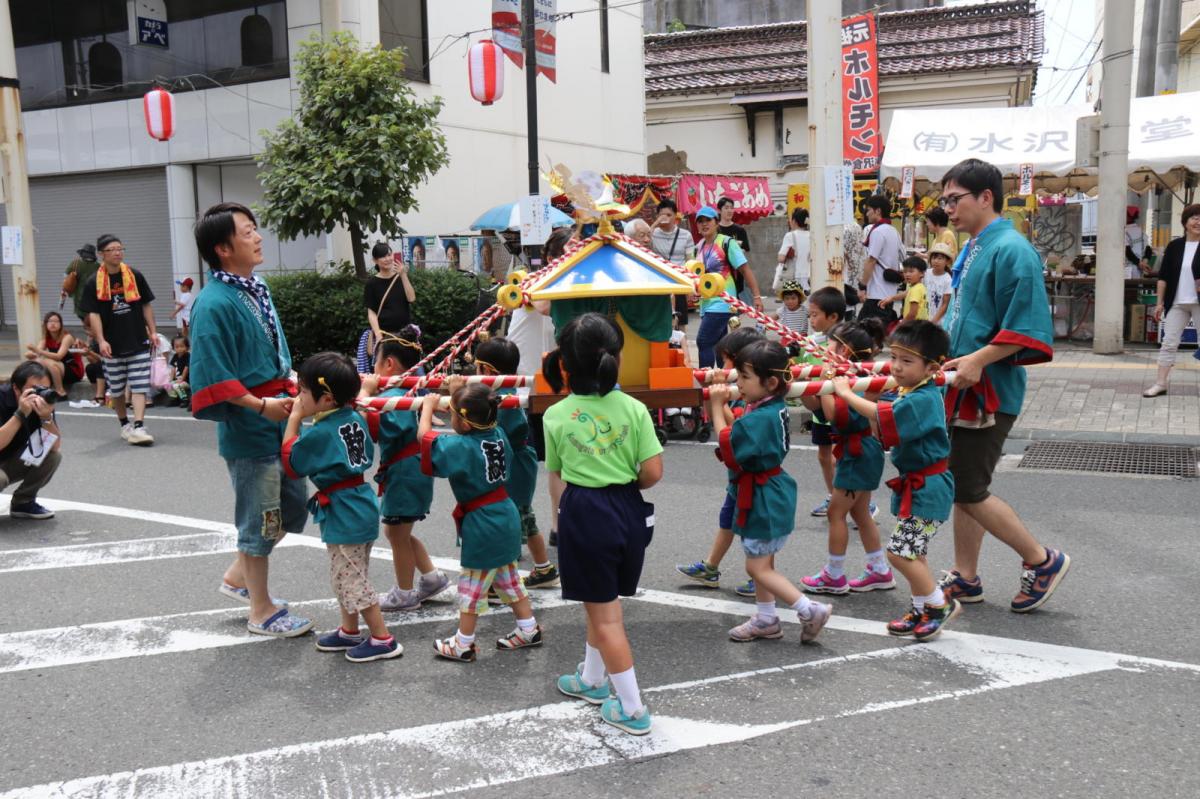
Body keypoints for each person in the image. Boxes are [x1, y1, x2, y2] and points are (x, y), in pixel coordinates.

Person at [937, 158, 1070, 613]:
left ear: (986, 197)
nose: (948, 209)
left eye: (955, 199)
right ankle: (966, 575)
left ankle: (1041, 558)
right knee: (961, 481)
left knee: (967, 486)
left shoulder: (1012, 249)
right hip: (963, 383)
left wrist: (978, 358)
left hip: (989, 388)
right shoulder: (972, 246)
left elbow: (1028, 326)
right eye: (945, 201)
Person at [191, 201, 313, 638]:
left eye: (254, 229)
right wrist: (261, 406)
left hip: (281, 415)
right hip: (252, 423)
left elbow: (272, 352)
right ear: (223, 248)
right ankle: (261, 611)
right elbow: (212, 373)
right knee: (262, 518)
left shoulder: (255, 287)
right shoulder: (213, 302)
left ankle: (237, 576)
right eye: (247, 232)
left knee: (292, 510)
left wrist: (292, 380)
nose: (258, 237)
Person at [546, 313, 662, 736]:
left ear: (565, 365)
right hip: (628, 509)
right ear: (616, 357)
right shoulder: (634, 408)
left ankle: (632, 708)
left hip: (586, 512)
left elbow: (558, 472)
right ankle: (592, 680)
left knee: (606, 615)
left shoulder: (557, 415)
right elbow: (652, 472)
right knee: (602, 601)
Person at [831, 321, 960, 639]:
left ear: (931, 367)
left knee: (899, 553)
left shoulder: (922, 399)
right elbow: (885, 413)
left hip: (928, 488)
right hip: (918, 485)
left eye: (907, 361)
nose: (897, 367)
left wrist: (846, 392)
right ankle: (921, 609)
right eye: (895, 358)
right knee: (914, 552)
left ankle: (938, 604)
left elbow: (878, 415)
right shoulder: (912, 390)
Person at [708, 339, 833, 644]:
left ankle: (808, 609)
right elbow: (737, 427)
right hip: (770, 490)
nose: (740, 382)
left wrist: (714, 405)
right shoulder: (769, 406)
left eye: (745, 377)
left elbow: (728, 444)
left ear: (771, 382)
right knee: (763, 560)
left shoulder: (760, 417)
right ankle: (766, 618)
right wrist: (722, 399)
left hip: (763, 495)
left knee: (756, 565)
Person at [282, 352, 400, 662]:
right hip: (357, 501)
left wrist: (294, 419)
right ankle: (350, 630)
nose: (298, 396)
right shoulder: (352, 416)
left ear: (326, 399)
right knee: (346, 571)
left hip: (345, 508)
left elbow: (293, 462)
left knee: (351, 577)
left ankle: (382, 638)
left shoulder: (321, 430)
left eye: (304, 391)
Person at [419, 379, 544, 661]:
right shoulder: (497, 433)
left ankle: (463, 642)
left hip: (483, 520)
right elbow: (468, 424)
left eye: (453, 414)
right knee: (508, 578)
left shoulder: (461, 446)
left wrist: (426, 408)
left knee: (472, 585)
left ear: (463, 422)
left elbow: (426, 439)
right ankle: (528, 627)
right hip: (505, 512)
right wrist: (456, 396)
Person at [357, 328, 449, 611]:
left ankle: (405, 593)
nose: (372, 369)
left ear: (388, 365)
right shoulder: (408, 392)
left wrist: (365, 395)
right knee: (401, 532)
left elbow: (375, 428)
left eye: (375, 362)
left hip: (405, 473)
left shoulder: (396, 395)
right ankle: (431, 577)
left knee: (396, 533)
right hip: (409, 470)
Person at [800, 319, 893, 595]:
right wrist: (807, 384)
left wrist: (828, 380)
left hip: (859, 452)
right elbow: (818, 406)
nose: (825, 347)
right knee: (860, 512)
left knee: (836, 512)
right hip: (857, 451)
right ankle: (879, 570)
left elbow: (835, 415)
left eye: (830, 343)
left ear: (843, 350)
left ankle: (834, 574)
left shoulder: (863, 378)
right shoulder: (846, 374)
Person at [675, 327, 765, 596]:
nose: (725, 367)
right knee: (728, 519)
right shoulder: (741, 391)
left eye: (730, 362)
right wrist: (713, 395)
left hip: (755, 478)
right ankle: (711, 567)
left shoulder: (755, 399)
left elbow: (734, 427)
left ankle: (762, 576)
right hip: (739, 475)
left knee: (755, 528)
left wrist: (717, 401)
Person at [473, 336, 559, 588]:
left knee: (509, 519)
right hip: (519, 462)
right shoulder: (505, 394)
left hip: (514, 466)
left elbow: (495, 434)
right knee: (525, 517)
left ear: (487, 370)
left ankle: (500, 581)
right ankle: (543, 568)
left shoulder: (502, 399)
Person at [80, 234, 157, 446]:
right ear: (101, 254)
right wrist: (101, 340)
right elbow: (93, 314)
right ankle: (125, 425)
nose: (117, 253)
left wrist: (152, 331)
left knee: (140, 386)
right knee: (116, 389)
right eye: (112, 249)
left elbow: (145, 305)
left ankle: (139, 426)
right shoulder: (92, 282)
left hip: (137, 339)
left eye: (120, 249)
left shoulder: (134, 276)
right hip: (111, 344)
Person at [694, 205, 764, 368]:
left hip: (723, 302)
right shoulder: (698, 247)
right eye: (700, 221)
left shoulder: (727, 242)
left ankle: (708, 381)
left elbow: (745, 269)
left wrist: (757, 296)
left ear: (716, 223)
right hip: (706, 303)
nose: (704, 224)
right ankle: (727, 379)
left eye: (708, 220)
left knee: (703, 340)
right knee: (720, 345)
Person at [798, 287, 847, 517]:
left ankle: (858, 501)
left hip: (838, 407)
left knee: (842, 458)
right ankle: (832, 496)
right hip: (819, 407)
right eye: (810, 314)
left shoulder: (844, 342)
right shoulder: (810, 342)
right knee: (823, 455)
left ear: (833, 317)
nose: (811, 319)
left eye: (815, 314)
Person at [1144, 203, 1200, 397]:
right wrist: (1159, 303)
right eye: (1194, 217)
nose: (1198, 221)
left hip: (1198, 302)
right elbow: (1163, 277)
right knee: (1168, 342)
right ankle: (1160, 383)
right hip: (1176, 302)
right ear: (1185, 222)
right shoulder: (1175, 246)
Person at [0, 362, 63, 520]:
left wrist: (46, 418)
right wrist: (20, 413)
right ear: (16, 388)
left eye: (45, 389)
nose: (40, 394)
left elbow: (54, 446)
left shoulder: (42, 402)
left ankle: (23, 502)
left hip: (8, 461)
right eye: (35, 389)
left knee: (52, 456)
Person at [359, 242, 416, 374]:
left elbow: (411, 298)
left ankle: (418, 393)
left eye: (389, 255)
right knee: (385, 372)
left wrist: (403, 275)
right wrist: (378, 335)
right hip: (385, 336)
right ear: (375, 260)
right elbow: (371, 313)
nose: (387, 259)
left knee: (413, 370)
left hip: (404, 335)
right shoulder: (372, 283)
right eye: (382, 256)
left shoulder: (401, 277)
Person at [859, 196, 904, 325]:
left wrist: (862, 286)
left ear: (877, 211)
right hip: (889, 292)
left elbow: (871, 261)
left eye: (868, 210)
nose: (866, 214)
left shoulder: (877, 232)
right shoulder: (893, 231)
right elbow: (903, 255)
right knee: (877, 335)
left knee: (863, 334)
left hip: (876, 293)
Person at [650, 199, 696, 322]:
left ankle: (681, 341)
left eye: (669, 215)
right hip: (660, 282)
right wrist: (655, 224)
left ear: (675, 216)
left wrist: (691, 284)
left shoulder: (685, 235)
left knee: (680, 320)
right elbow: (642, 244)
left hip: (678, 282)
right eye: (661, 215)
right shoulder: (652, 233)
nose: (665, 218)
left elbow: (690, 260)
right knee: (659, 320)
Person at [25, 311, 83, 400]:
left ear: (61, 324)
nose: (53, 324)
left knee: (49, 362)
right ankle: (37, 388)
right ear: (45, 324)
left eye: (56, 321)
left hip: (73, 371)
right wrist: (31, 355)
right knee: (37, 361)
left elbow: (58, 356)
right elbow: (36, 353)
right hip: (58, 371)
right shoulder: (45, 338)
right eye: (50, 321)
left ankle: (61, 392)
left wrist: (38, 351)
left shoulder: (67, 337)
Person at [879, 257, 930, 322]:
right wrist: (891, 298)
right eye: (905, 271)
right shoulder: (919, 287)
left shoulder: (916, 290)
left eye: (911, 271)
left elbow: (912, 314)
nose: (907, 274)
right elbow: (906, 293)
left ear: (922, 273)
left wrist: (902, 325)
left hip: (914, 326)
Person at [775, 208, 811, 295]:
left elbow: (781, 258)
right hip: (810, 277)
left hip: (794, 276)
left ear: (794, 221)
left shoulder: (790, 235)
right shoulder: (812, 235)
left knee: (794, 305)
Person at [62, 244, 100, 322]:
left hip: (78, 298)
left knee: (83, 319)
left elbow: (65, 275)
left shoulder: (75, 263)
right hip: (93, 299)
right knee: (93, 320)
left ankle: (89, 331)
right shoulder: (98, 266)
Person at [925, 243, 955, 327]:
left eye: (940, 258)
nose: (936, 261)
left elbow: (945, 304)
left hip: (938, 322)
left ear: (947, 261)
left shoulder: (948, 280)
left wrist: (933, 321)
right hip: (925, 318)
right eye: (934, 258)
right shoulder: (926, 273)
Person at [1125, 205, 1150, 280]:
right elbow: (1148, 249)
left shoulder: (1125, 232)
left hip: (1126, 270)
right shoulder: (1141, 231)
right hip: (1139, 271)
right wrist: (1144, 263)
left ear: (1127, 216)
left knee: (1126, 291)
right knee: (1136, 290)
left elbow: (1127, 251)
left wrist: (1140, 263)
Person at [165, 335, 190, 407]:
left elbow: (186, 368)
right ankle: (174, 398)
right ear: (173, 348)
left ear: (187, 347)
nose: (179, 349)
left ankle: (184, 399)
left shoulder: (188, 356)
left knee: (177, 386)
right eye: (177, 347)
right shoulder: (175, 356)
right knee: (167, 385)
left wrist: (182, 379)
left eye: (182, 346)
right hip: (177, 379)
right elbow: (173, 368)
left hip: (186, 380)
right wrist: (170, 379)